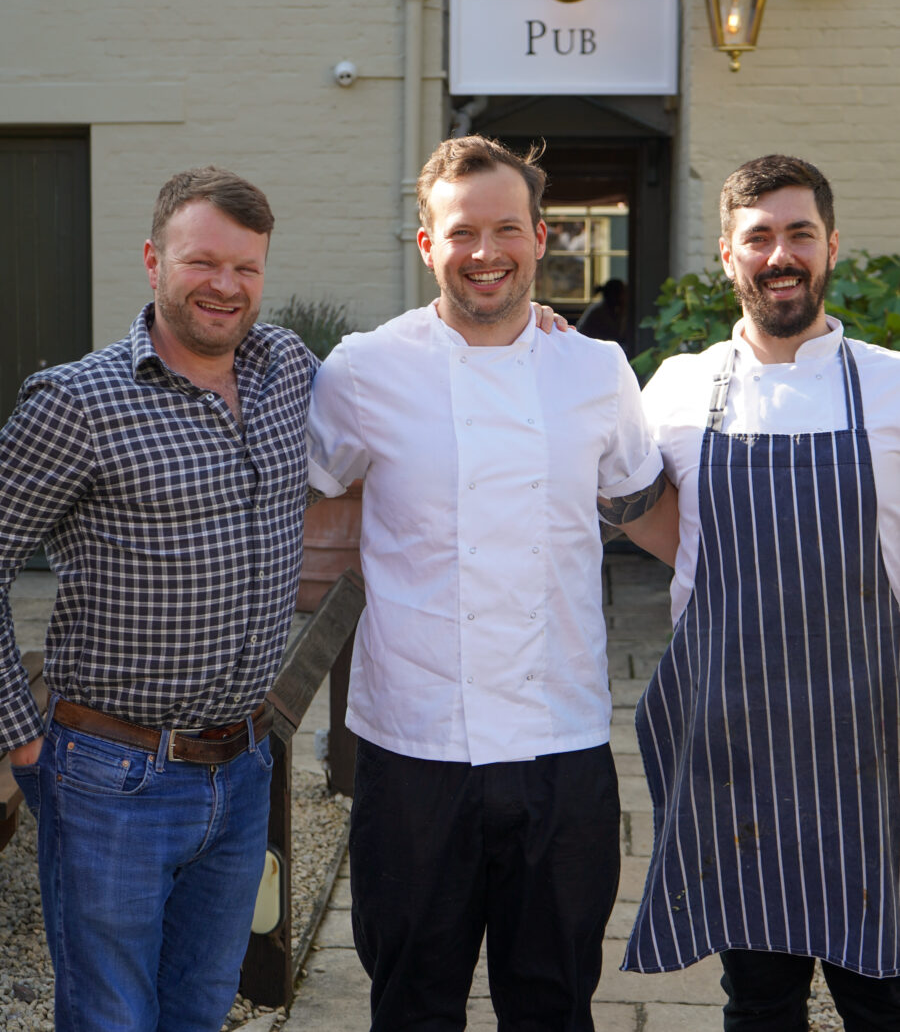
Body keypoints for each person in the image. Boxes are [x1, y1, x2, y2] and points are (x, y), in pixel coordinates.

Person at [307, 134, 679, 1031]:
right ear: (427, 244)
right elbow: (304, 499)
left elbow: (638, 505)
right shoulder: (362, 370)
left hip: (563, 738)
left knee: (552, 1003)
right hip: (413, 747)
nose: (485, 252)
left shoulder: (595, 368)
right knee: (411, 1002)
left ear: (541, 238)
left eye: (506, 229)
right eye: (462, 232)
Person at [1, 166, 318, 1032]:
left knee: (201, 1008)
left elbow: (406, 389)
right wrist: (19, 739)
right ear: (152, 260)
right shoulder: (77, 402)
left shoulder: (286, 368)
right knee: (111, 1018)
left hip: (242, 766)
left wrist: (528, 328)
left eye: (246, 268)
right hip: (111, 777)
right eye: (202, 262)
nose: (225, 285)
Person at [623, 155, 900, 1028]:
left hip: (874, 743)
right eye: (759, 238)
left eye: (799, 234)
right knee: (760, 998)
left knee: (883, 990)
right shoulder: (676, 388)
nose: (780, 255)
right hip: (741, 750)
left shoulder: (893, 385)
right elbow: (637, 511)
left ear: (831, 247)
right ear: (726, 255)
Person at [576, 277, 629, 347]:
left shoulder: (612, 309)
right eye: (623, 293)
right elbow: (617, 336)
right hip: (586, 345)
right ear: (614, 295)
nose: (625, 296)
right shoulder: (599, 311)